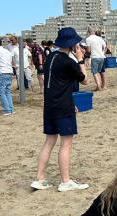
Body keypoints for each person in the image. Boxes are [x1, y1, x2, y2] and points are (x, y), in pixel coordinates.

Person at [31, 27, 90, 192]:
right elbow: (84, 80)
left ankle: (40, 178)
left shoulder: (51, 57)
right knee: (66, 144)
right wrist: (80, 60)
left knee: (49, 141)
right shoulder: (68, 61)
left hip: (49, 105)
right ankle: (65, 181)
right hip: (63, 106)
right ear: (72, 44)